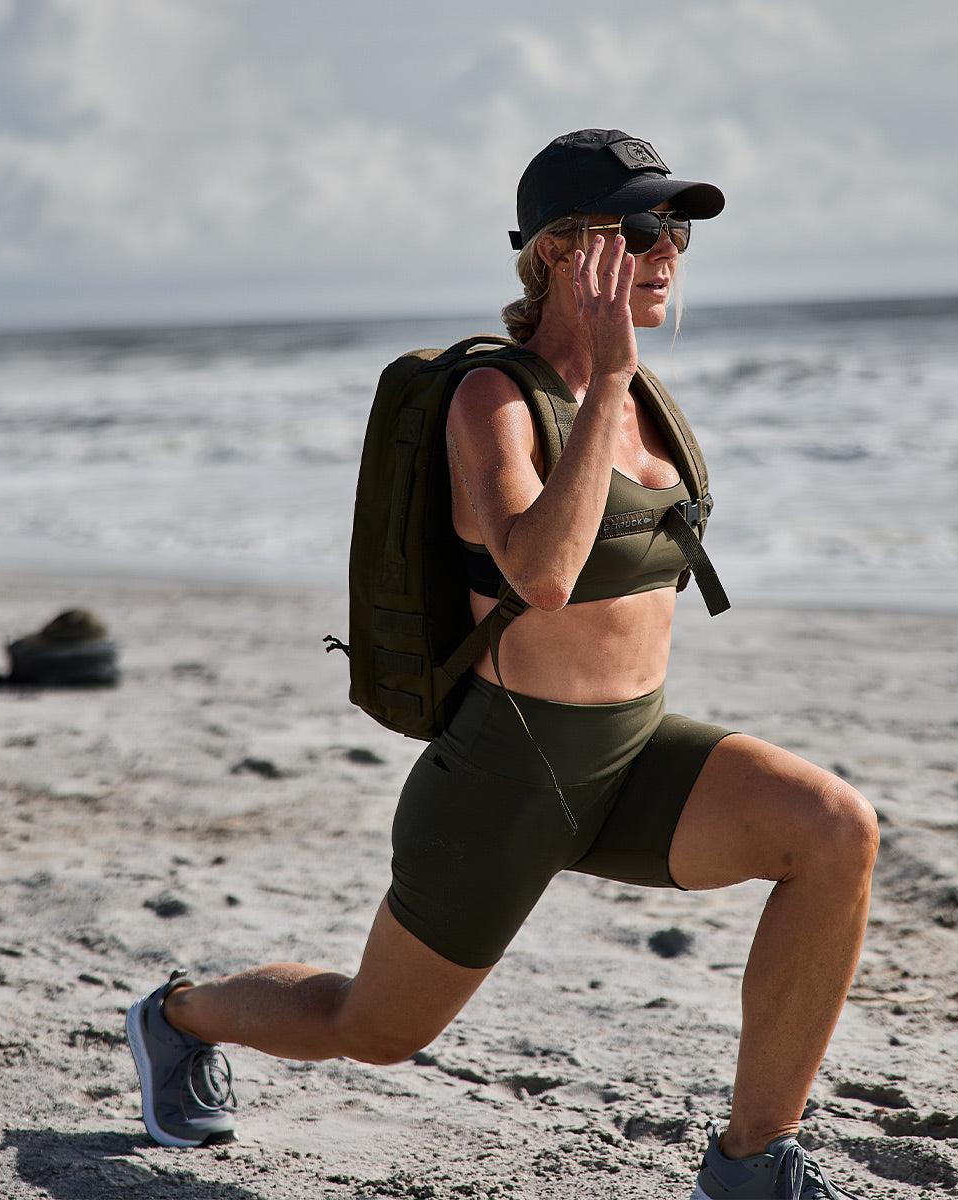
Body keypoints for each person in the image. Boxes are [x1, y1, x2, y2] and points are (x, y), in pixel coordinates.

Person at [126, 129, 879, 1200]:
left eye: (682, 233)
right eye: (647, 229)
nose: (670, 252)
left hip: (632, 755)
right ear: (564, 253)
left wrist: (623, 382)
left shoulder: (650, 402)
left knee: (835, 830)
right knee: (369, 1029)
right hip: (504, 777)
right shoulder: (495, 398)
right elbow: (543, 576)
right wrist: (610, 377)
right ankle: (176, 1015)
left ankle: (753, 1164)